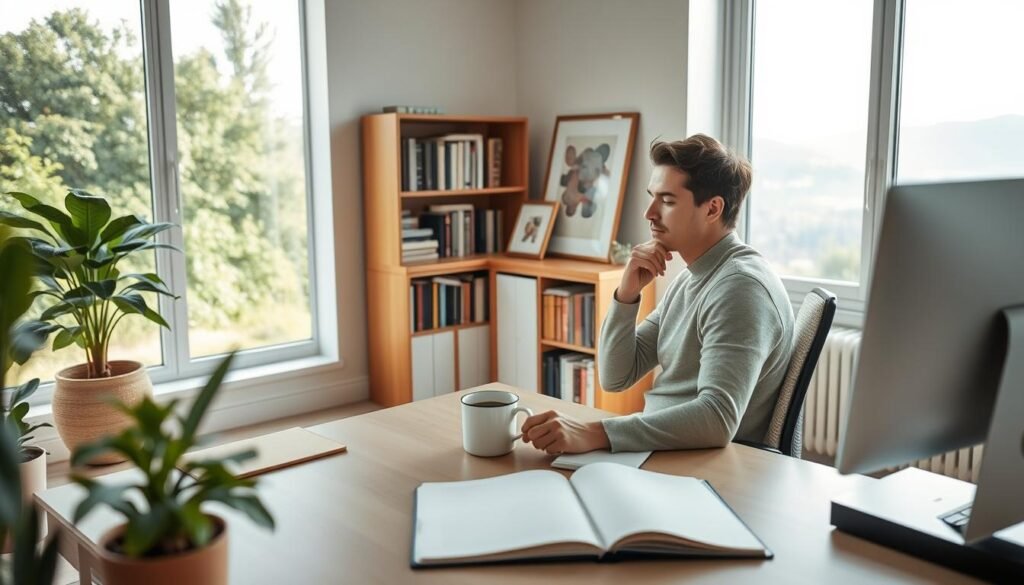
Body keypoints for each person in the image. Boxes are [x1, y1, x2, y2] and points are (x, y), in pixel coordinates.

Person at [522, 134, 795, 454]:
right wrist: (626, 295)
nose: (649, 213)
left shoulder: (741, 289)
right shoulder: (691, 279)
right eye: (653, 197)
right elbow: (616, 376)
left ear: (712, 209)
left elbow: (717, 418)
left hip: (700, 466)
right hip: (662, 450)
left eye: (666, 200)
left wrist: (597, 433)